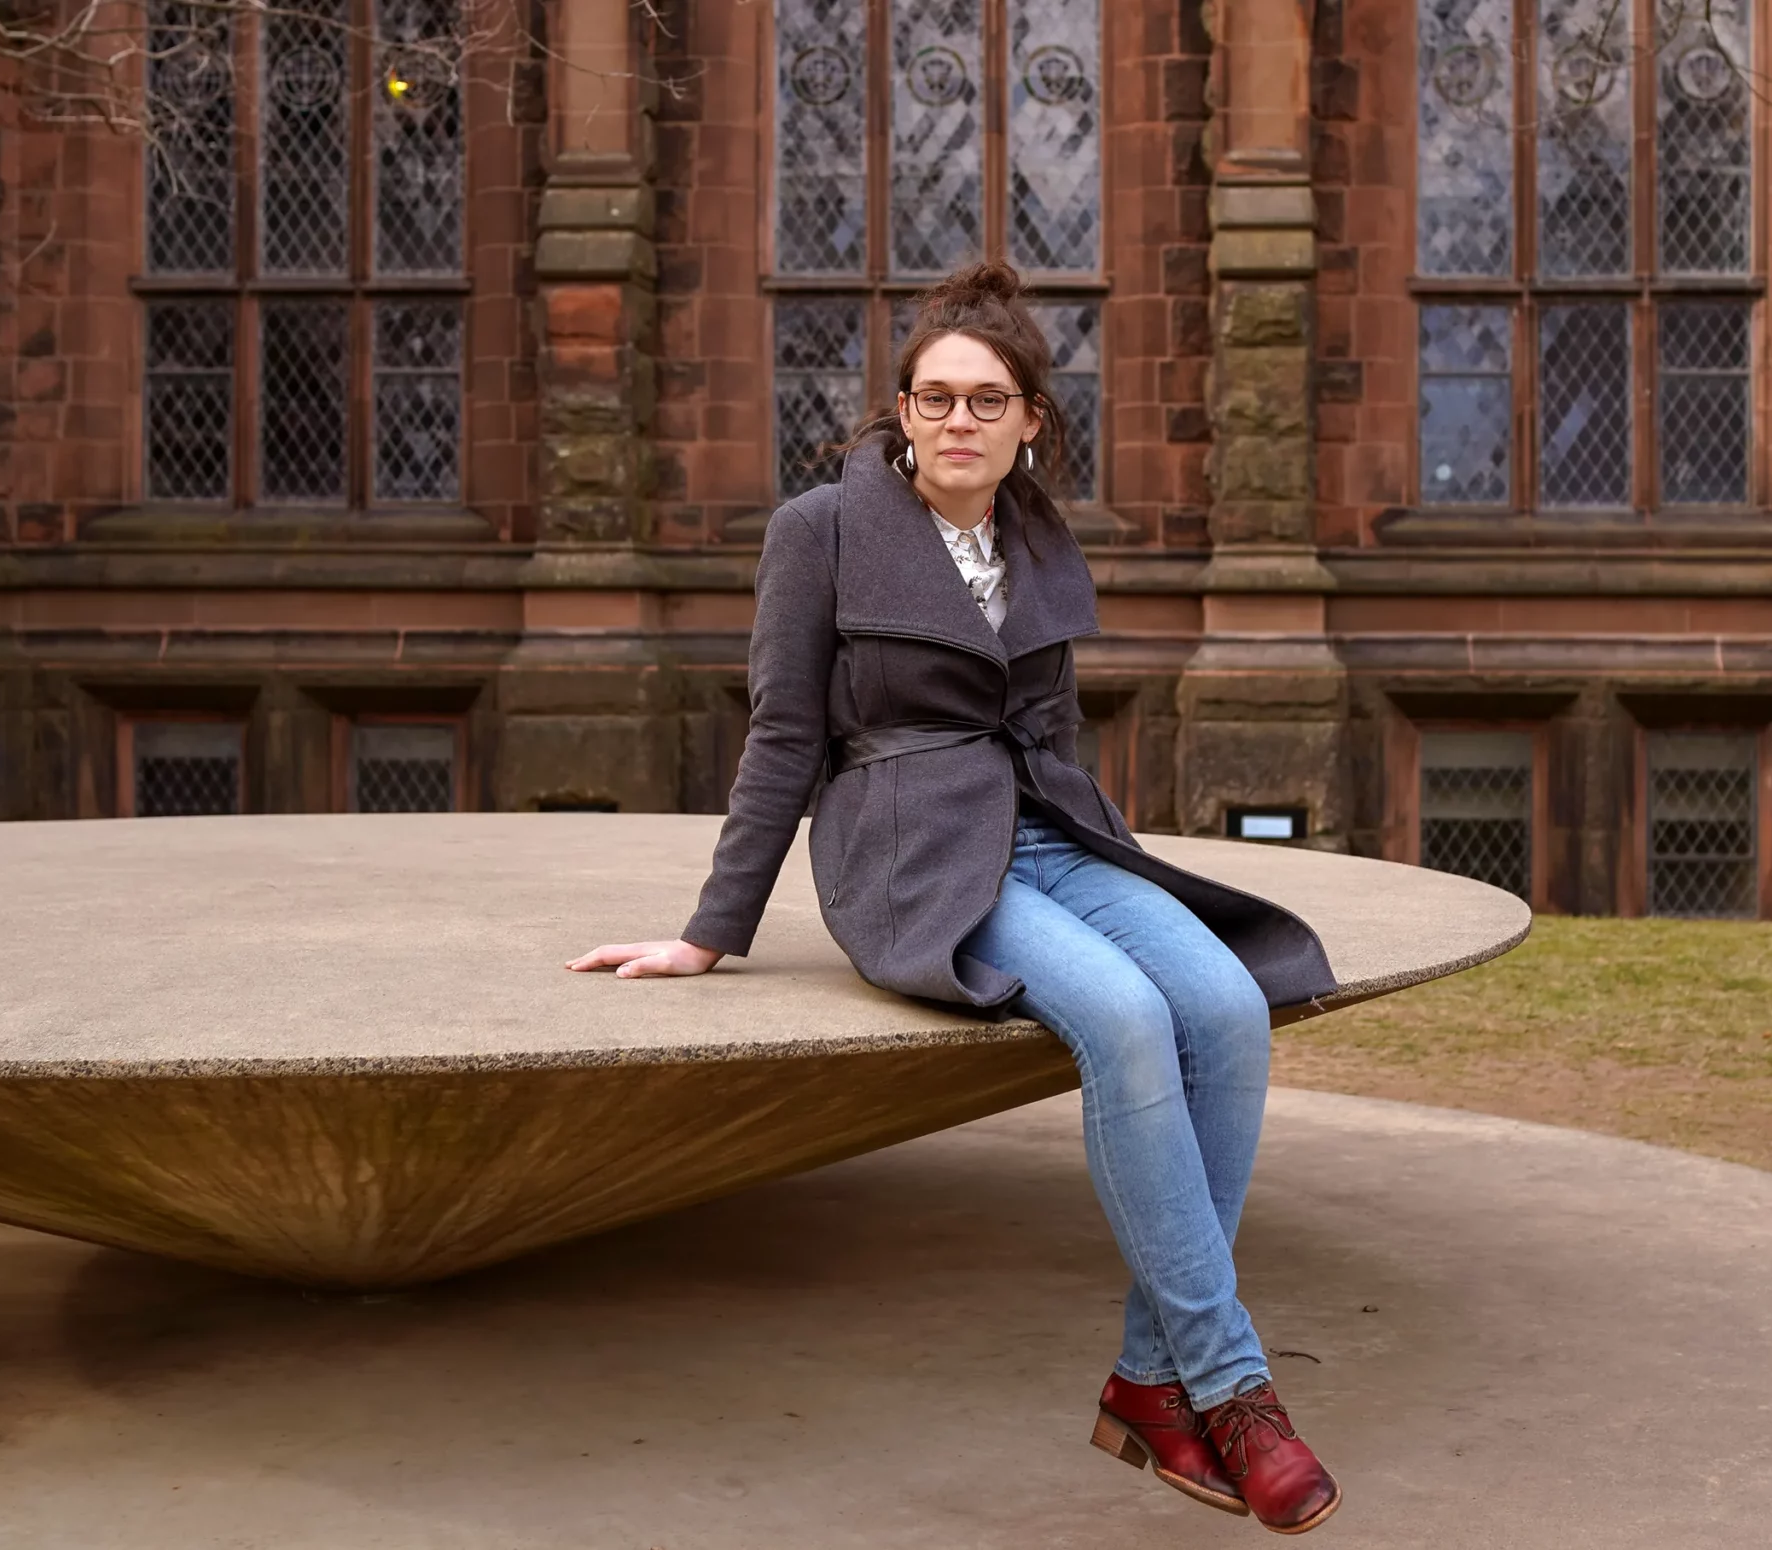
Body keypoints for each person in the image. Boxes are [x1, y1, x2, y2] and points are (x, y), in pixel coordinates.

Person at [568, 260, 1342, 1535]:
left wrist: (1101, 852)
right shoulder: (818, 531)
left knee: (1223, 1001)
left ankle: (1149, 1384)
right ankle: (1230, 1388)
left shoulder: (1035, 532)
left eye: (989, 401)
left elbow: (1046, 729)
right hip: (904, 845)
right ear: (901, 409)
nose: (960, 422)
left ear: (1032, 417)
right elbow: (780, 739)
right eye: (937, 398)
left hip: (1041, 829)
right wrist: (715, 928)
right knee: (1127, 1021)